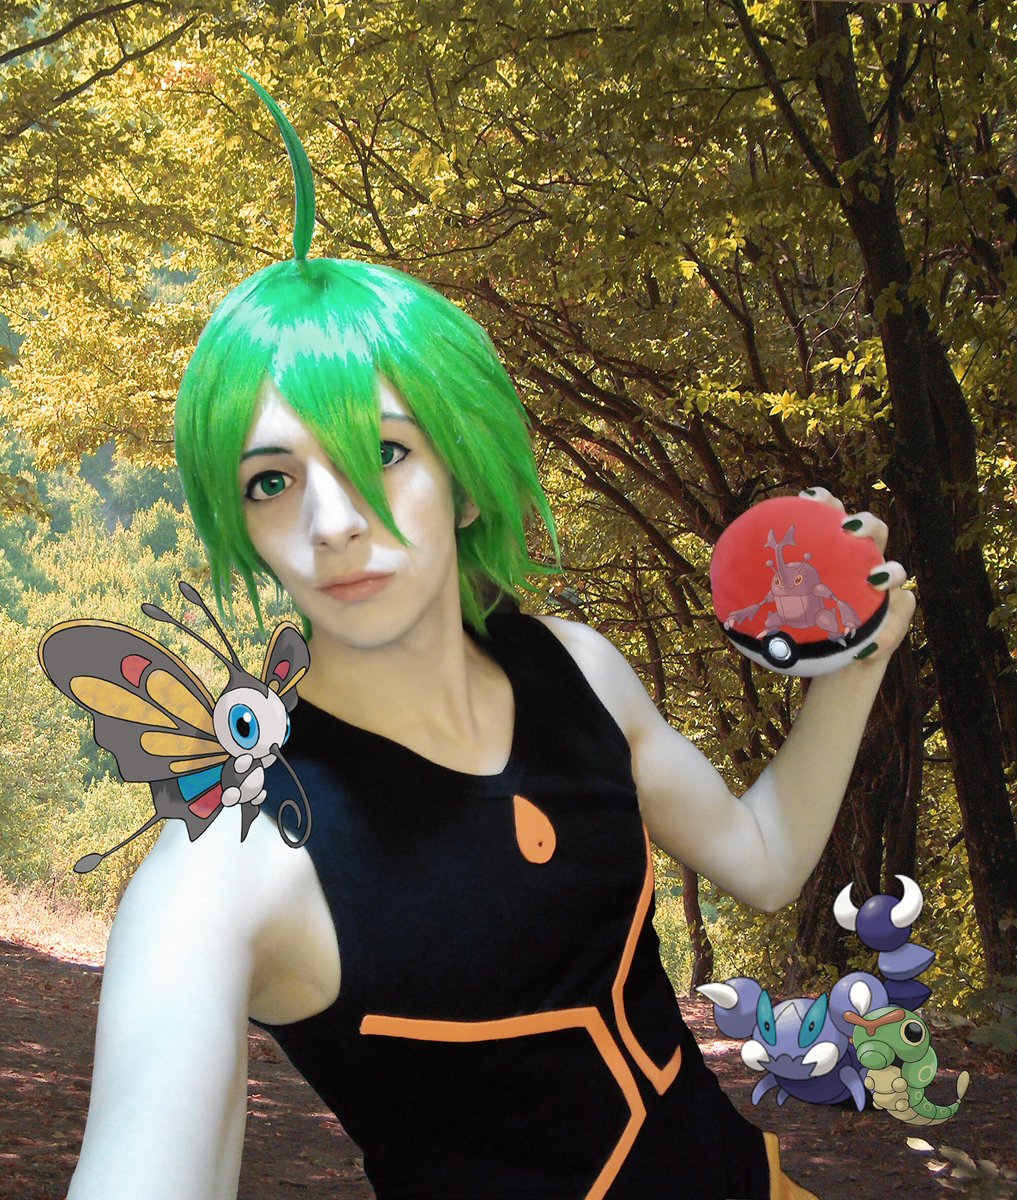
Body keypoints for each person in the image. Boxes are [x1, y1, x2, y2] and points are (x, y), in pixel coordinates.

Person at [64, 83, 915, 1200]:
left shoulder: (579, 671)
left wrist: (855, 659)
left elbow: (762, 861)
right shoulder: (228, 869)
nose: (332, 522)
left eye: (384, 453)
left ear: (465, 480)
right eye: (271, 481)